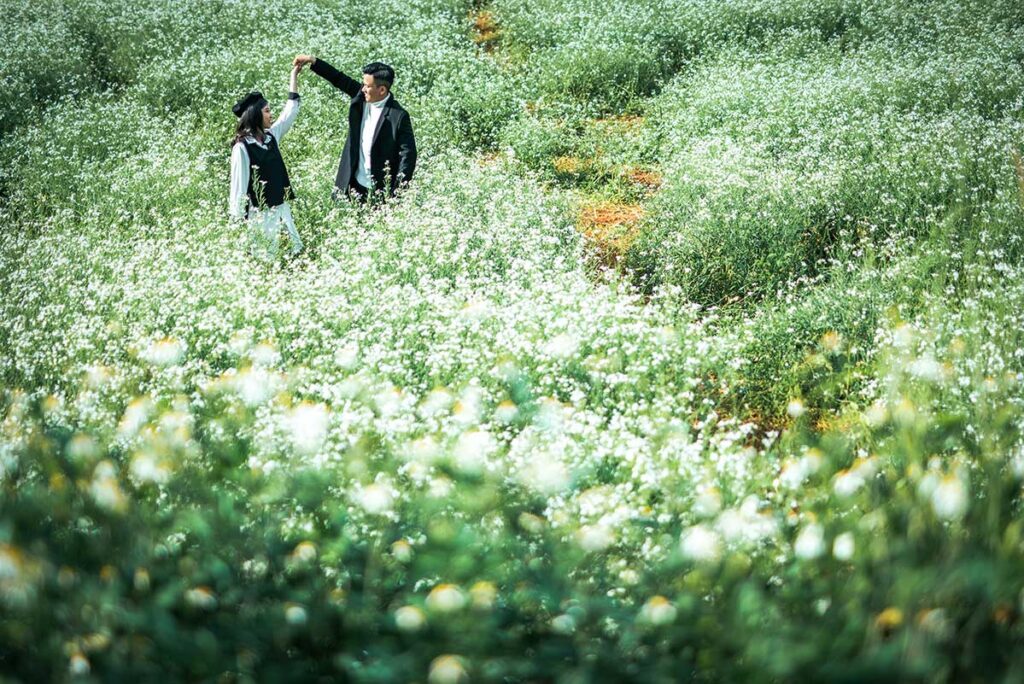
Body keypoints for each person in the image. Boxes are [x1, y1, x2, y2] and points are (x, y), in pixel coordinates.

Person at [292, 54, 416, 202]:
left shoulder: (399, 116)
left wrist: (397, 193)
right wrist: (313, 61)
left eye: (367, 86)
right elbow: (339, 79)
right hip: (353, 185)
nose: (362, 89)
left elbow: (408, 155)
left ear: (382, 90)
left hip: (381, 192)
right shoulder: (362, 98)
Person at [229, 64, 304, 259]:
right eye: (267, 111)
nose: (271, 115)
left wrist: (293, 76)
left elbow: (290, 112)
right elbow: (238, 188)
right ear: (255, 115)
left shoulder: (271, 137)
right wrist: (238, 225)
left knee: (293, 256)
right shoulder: (242, 148)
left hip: (281, 209)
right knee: (268, 260)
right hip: (260, 216)